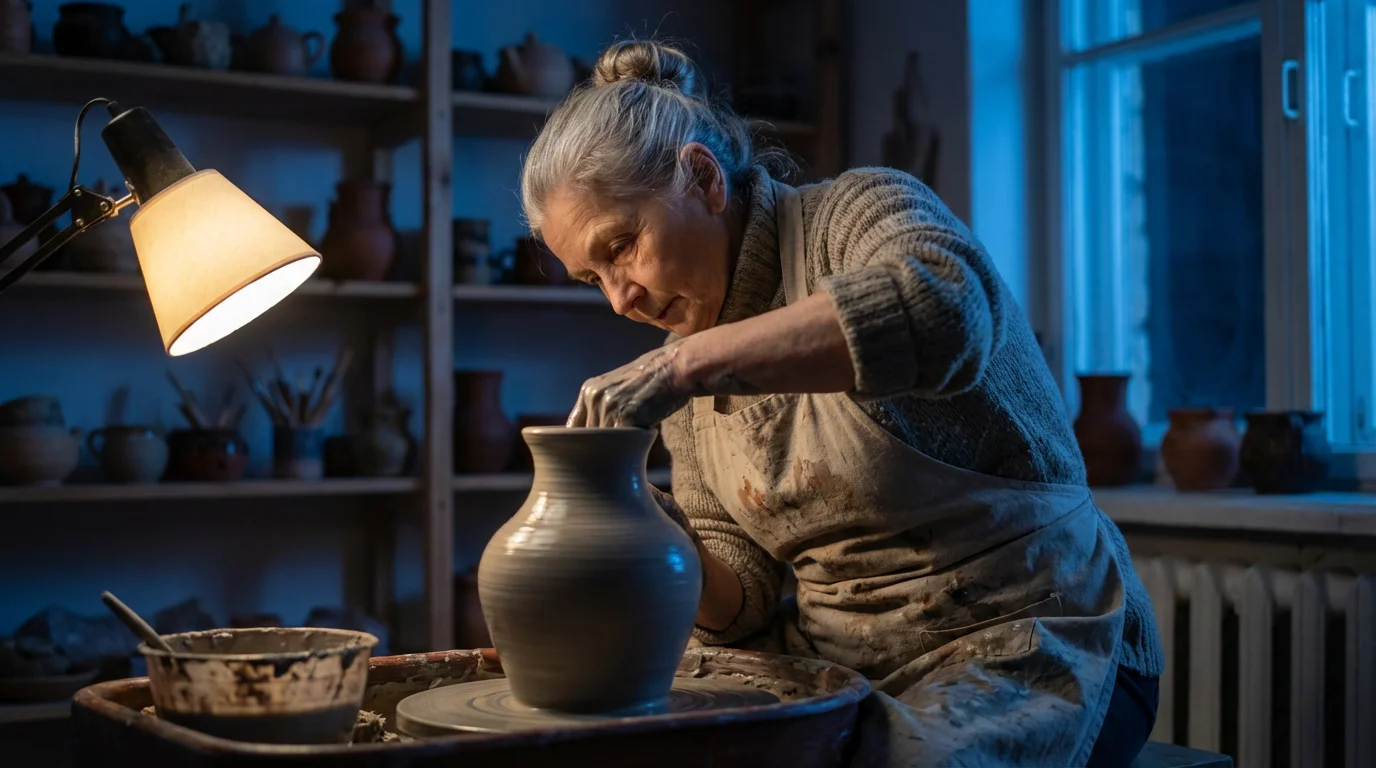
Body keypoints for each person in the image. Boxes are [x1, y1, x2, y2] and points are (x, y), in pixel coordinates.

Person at [520, 39, 1163, 767]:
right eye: (591, 277)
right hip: (840, 669)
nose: (619, 298)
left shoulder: (852, 217)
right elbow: (747, 600)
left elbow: (945, 307)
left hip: (1034, 641)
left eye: (622, 246)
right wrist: (648, 526)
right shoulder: (684, 364)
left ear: (702, 179)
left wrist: (690, 365)